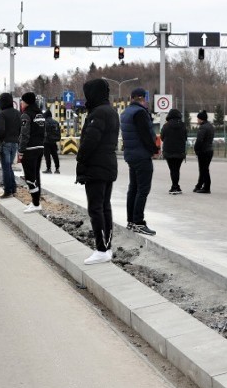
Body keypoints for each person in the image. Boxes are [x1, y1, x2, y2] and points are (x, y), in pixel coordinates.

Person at [76, 79, 120, 265]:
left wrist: (80, 159)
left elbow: (90, 141)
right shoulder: (110, 110)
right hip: (107, 164)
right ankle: (106, 247)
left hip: (96, 166)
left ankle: (101, 249)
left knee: (96, 208)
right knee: (104, 207)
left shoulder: (98, 113)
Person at [120, 87, 159, 235]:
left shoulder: (125, 113)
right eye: (145, 99)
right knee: (143, 189)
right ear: (142, 98)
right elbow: (145, 135)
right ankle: (138, 222)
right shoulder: (140, 113)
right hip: (142, 156)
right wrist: (154, 150)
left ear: (131, 98)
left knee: (133, 188)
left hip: (131, 155)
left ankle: (131, 221)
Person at [18, 92, 45, 213]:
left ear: (26, 102)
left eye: (22, 101)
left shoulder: (26, 115)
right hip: (40, 148)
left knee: (30, 177)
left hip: (29, 149)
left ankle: (36, 203)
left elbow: (24, 134)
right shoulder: (40, 114)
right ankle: (35, 202)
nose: (21, 104)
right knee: (36, 176)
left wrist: (21, 150)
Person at [0, 93, 22, 199]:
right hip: (14, 142)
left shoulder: (2, 114)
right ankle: (13, 188)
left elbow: (0, 129)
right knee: (9, 166)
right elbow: (21, 129)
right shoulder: (18, 113)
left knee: (6, 167)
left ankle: (8, 191)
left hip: (5, 142)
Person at [160, 108, 188, 194]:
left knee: (172, 169)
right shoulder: (183, 125)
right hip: (180, 151)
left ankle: (174, 186)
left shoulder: (166, 126)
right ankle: (176, 186)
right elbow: (185, 137)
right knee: (177, 169)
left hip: (169, 151)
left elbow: (162, 137)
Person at [194, 110, 215, 194]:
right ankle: (199, 185)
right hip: (209, 150)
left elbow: (199, 140)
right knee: (204, 169)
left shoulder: (203, 127)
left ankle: (206, 187)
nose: (197, 120)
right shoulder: (210, 126)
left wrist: (196, 149)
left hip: (203, 151)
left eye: (198, 119)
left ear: (201, 119)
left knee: (204, 169)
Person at [42, 110, 61, 174]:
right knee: (55, 155)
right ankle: (57, 169)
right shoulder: (56, 122)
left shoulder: (45, 122)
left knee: (47, 156)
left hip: (46, 141)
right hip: (54, 141)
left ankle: (48, 169)